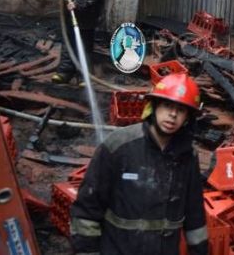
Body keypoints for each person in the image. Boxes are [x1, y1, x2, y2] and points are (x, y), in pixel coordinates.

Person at [70, 73, 209, 255]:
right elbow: (88, 208)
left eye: (181, 110)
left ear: (188, 118)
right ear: (154, 106)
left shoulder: (187, 156)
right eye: (167, 105)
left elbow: (195, 215)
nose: (173, 115)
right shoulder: (119, 146)